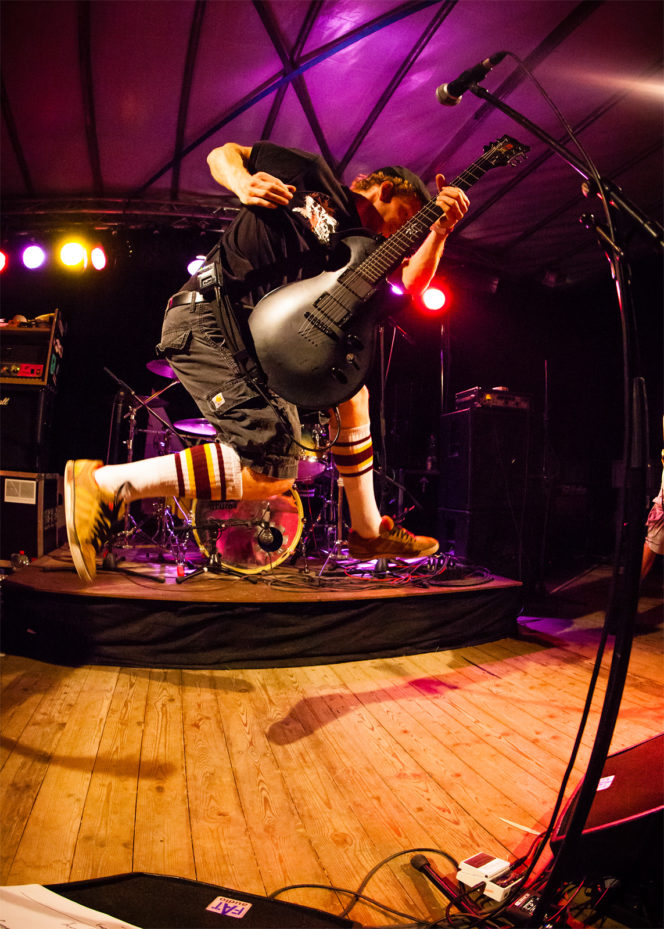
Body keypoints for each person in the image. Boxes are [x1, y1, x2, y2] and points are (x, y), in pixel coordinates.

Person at [65, 141, 469, 583]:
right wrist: (242, 181)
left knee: (353, 394)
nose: (403, 234)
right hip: (209, 316)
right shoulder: (312, 176)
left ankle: (367, 530)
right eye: (408, 220)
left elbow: (411, 284)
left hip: (256, 341)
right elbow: (224, 152)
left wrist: (439, 232)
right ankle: (103, 485)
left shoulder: (362, 252)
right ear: (387, 191)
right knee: (270, 471)